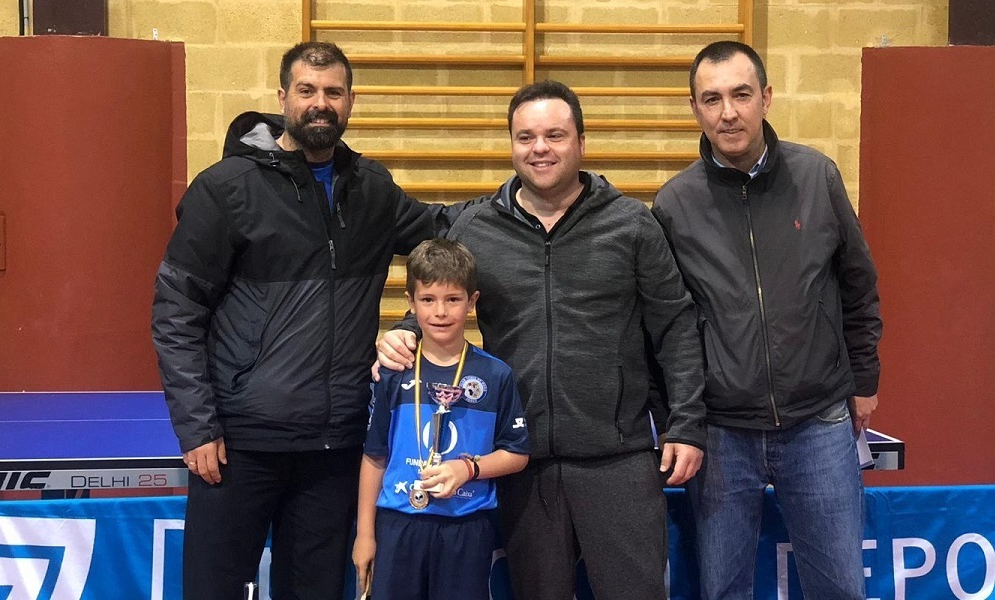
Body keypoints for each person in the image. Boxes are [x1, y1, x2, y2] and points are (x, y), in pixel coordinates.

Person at [377, 80, 706, 600]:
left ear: (581, 142)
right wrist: (405, 331)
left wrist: (685, 423)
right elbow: (438, 295)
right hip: (520, 463)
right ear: (512, 145)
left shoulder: (631, 225)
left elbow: (675, 327)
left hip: (617, 459)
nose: (540, 148)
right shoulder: (476, 226)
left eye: (555, 135)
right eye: (526, 137)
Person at [150, 41, 456, 600]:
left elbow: (447, 242)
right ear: (282, 97)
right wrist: (197, 426)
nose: (320, 103)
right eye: (307, 90)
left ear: (351, 101)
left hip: (333, 446)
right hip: (238, 444)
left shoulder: (372, 189)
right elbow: (177, 311)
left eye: (333, 92)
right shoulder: (226, 189)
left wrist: (413, 325)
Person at [652, 41, 882, 599]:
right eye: (712, 99)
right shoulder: (674, 204)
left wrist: (865, 379)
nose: (728, 112)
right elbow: (668, 327)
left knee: (840, 589)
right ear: (694, 108)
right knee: (724, 590)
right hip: (722, 433)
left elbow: (858, 282)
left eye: (741, 95)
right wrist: (680, 419)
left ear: (766, 98)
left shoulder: (817, 176)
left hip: (818, 421)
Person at [353, 239, 529, 600]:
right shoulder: (394, 373)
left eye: (453, 299)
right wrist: (365, 534)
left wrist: (468, 469)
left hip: (466, 525)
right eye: (428, 299)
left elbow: (517, 453)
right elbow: (374, 456)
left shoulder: (495, 375)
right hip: (398, 522)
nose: (440, 312)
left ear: (472, 301)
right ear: (410, 302)